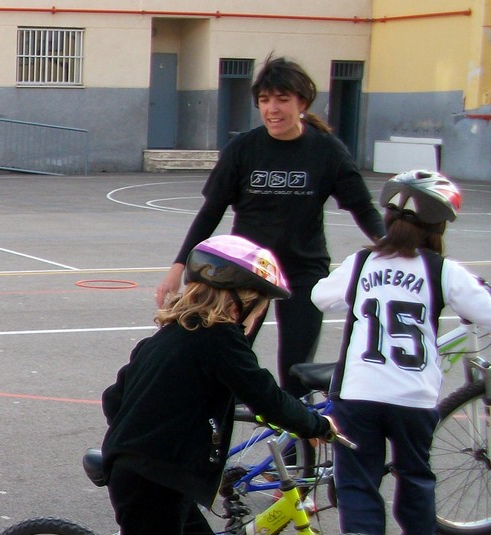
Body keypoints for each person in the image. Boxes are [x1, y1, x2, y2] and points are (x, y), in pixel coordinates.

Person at [76, 235, 334, 535]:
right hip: (149, 480)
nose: (260, 316)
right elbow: (268, 397)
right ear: (238, 301)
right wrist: (318, 425)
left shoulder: (164, 339)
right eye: (260, 306)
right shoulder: (221, 343)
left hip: (158, 476)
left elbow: (116, 397)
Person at [154, 55, 385, 398]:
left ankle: (293, 450)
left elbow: (362, 208)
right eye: (264, 100)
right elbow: (210, 212)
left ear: (302, 102)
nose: (272, 109)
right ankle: (214, 450)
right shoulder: (244, 149)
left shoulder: (326, 151)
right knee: (227, 365)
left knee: (294, 372)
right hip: (243, 274)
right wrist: (178, 266)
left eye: (282, 100)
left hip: (302, 271)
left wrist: (393, 245)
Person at [312, 170, 491, 535]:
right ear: (439, 227)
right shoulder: (444, 271)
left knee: (357, 480)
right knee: (415, 476)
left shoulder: (361, 263)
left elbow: (320, 296)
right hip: (414, 397)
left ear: (388, 219)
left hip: (359, 392)